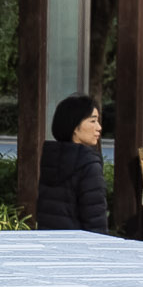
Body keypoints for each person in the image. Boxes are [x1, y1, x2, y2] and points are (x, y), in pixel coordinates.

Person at [35, 95, 110, 233]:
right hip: (79, 247)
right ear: (75, 126)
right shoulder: (89, 164)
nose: (99, 127)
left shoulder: (51, 157)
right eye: (92, 121)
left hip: (50, 242)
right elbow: (95, 220)